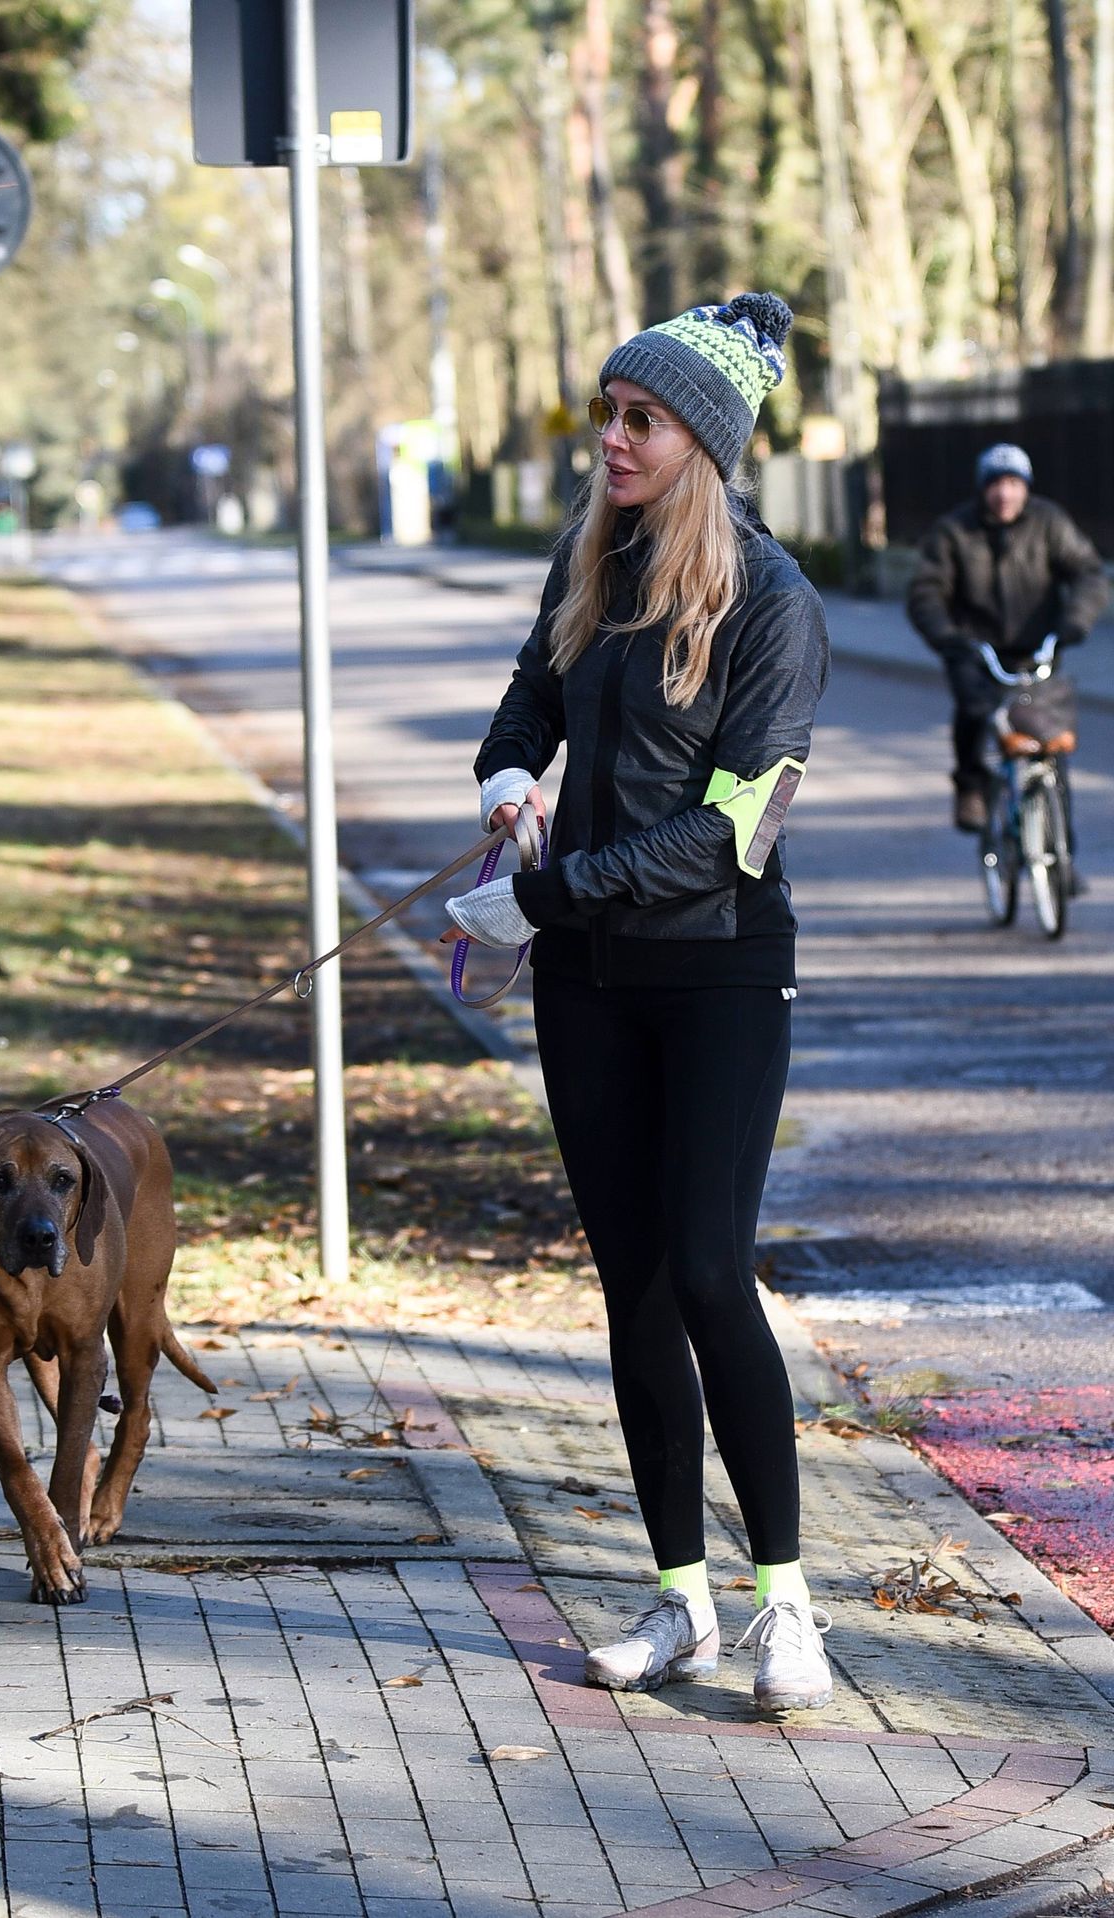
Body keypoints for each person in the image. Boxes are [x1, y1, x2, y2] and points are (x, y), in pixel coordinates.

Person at [440, 293, 833, 1711]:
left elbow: (734, 834)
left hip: (720, 968)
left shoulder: (777, 606)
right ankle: (682, 1600)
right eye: (607, 409)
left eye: (638, 419)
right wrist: (503, 788)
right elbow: (521, 709)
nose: (608, 437)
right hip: (593, 984)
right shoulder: (590, 559)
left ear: (700, 446)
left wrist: (542, 895)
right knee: (636, 1290)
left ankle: (788, 1606)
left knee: (715, 1273)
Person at [907, 444, 1109, 833]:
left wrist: (1074, 623)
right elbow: (926, 593)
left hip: (1038, 650)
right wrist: (949, 639)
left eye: (1013, 484)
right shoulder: (955, 531)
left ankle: (1060, 858)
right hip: (975, 650)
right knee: (974, 712)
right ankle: (970, 786)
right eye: (996, 484)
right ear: (983, 490)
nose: (1005, 494)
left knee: (1051, 744)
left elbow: (1088, 572)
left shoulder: (1049, 522)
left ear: (1026, 487)